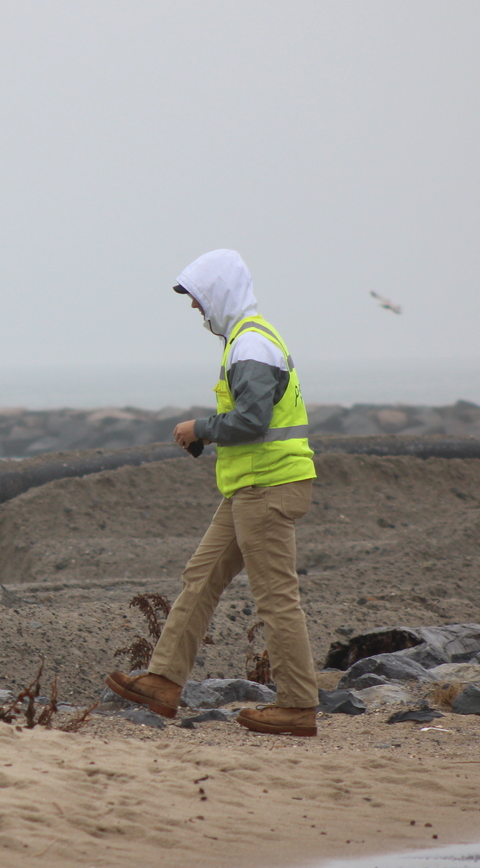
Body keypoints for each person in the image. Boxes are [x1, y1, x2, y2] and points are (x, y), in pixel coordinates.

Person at [104, 248, 320, 737]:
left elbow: (252, 420)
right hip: (250, 486)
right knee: (200, 577)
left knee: (276, 599)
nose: (196, 308)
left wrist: (200, 429)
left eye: (199, 298)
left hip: (268, 486)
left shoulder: (250, 347)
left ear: (220, 293)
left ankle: (298, 706)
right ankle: (162, 682)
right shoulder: (246, 342)